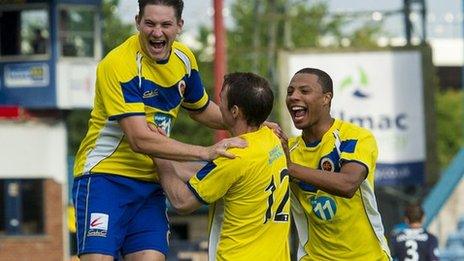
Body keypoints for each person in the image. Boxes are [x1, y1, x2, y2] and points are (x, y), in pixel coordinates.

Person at [72, 1, 245, 260]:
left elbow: (201, 109)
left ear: (179, 26)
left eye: (165, 24)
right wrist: (206, 152)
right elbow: (140, 139)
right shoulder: (118, 63)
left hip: (151, 181)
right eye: (150, 23)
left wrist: (252, 124)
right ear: (138, 22)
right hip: (105, 178)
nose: (157, 32)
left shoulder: (185, 59)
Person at [155, 72, 291, 261]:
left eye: (221, 100)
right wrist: (170, 162)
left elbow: (181, 202)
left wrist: (157, 152)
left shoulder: (235, 156)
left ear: (234, 111)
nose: (218, 106)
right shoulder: (271, 138)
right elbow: (214, 175)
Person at [280, 68, 392, 260]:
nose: (293, 97)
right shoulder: (286, 150)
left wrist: (291, 169)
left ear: (326, 98)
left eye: (304, 91)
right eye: (290, 92)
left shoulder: (355, 137)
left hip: (368, 257)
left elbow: (348, 184)